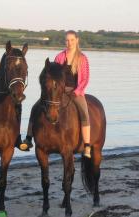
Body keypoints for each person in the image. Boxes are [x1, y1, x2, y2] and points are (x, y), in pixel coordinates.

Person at [21, 30, 92, 158]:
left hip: (76, 91)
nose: (69, 43)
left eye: (72, 40)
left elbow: (85, 79)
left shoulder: (82, 58)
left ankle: (87, 145)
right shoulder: (59, 57)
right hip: (59, 91)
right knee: (35, 107)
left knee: (84, 113)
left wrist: (76, 92)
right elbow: (53, 75)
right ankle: (28, 138)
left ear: (77, 41)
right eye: (67, 40)